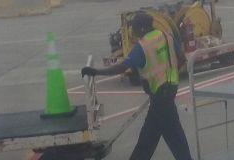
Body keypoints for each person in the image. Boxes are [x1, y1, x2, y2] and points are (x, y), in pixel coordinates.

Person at [81, 12, 193, 160]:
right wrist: (169, 76)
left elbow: (121, 68)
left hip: (160, 95)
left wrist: (96, 72)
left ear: (141, 28)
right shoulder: (166, 35)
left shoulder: (143, 46)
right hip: (169, 90)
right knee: (149, 136)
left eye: (133, 29)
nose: (132, 32)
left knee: (174, 137)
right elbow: (181, 58)